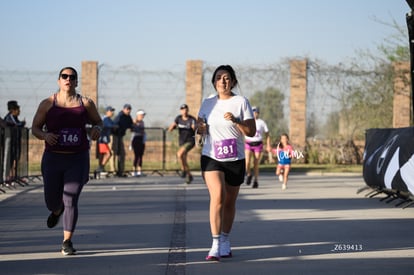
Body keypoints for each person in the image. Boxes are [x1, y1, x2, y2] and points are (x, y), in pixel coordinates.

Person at [31, 66, 102, 255]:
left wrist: (97, 130)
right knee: (52, 201)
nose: (68, 79)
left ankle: (67, 241)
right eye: (64, 76)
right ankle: (56, 211)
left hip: (77, 159)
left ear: (76, 82)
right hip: (53, 158)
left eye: (72, 77)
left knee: (71, 199)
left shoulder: (86, 103)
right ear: (59, 81)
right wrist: (45, 136)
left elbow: (98, 122)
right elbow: (35, 128)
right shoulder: (47, 103)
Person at [196, 65, 256, 261]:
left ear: (233, 82)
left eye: (227, 78)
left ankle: (225, 239)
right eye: (219, 77)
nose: (223, 81)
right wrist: (200, 128)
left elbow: (251, 132)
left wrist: (237, 120)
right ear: (214, 82)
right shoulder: (207, 103)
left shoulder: (241, 102)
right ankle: (214, 245)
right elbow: (199, 129)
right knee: (218, 196)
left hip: (235, 158)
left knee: (229, 201)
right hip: (211, 156)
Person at [167, 103, 196, 183]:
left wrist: (194, 128)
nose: (184, 111)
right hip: (182, 141)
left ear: (188, 110)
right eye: (183, 110)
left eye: (186, 110)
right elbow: (171, 127)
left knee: (179, 154)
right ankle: (189, 175)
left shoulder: (192, 119)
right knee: (183, 159)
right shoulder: (178, 118)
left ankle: (183, 170)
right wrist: (172, 127)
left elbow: (196, 128)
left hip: (190, 141)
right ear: (180, 111)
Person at [244, 106, 271, 188]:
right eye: (253, 112)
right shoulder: (247, 121)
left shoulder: (261, 122)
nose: (255, 114)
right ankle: (249, 174)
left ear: (258, 113)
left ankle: (256, 180)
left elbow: (267, 134)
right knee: (247, 162)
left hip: (258, 144)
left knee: (255, 163)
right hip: (248, 143)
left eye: (256, 112)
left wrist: (268, 144)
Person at [4, 100, 26, 183]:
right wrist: (21, 124)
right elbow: (15, 125)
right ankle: (7, 176)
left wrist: (22, 124)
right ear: (12, 110)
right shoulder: (9, 118)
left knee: (16, 158)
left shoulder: (15, 118)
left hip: (16, 142)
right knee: (9, 159)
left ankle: (15, 176)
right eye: (17, 109)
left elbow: (18, 124)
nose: (19, 111)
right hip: (10, 142)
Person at [113, 104, 133, 177]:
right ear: (124, 109)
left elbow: (131, 125)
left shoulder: (128, 117)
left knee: (122, 154)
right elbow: (114, 125)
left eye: (130, 109)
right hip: (114, 136)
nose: (129, 110)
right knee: (114, 153)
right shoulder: (120, 116)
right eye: (127, 109)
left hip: (120, 136)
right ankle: (113, 171)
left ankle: (120, 171)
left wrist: (133, 127)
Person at [97, 106, 117, 173]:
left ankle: (100, 168)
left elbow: (114, 125)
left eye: (112, 111)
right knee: (109, 154)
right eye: (111, 111)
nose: (112, 112)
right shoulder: (105, 119)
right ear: (107, 112)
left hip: (104, 140)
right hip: (102, 139)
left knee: (102, 154)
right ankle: (100, 167)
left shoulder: (109, 119)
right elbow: (111, 126)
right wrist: (114, 126)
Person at [130, 109, 146, 177]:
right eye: (141, 115)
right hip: (136, 139)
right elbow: (131, 130)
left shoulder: (142, 122)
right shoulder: (134, 121)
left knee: (140, 155)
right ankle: (134, 170)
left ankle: (139, 170)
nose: (143, 116)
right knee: (136, 155)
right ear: (138, 115)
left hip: (141, 139)